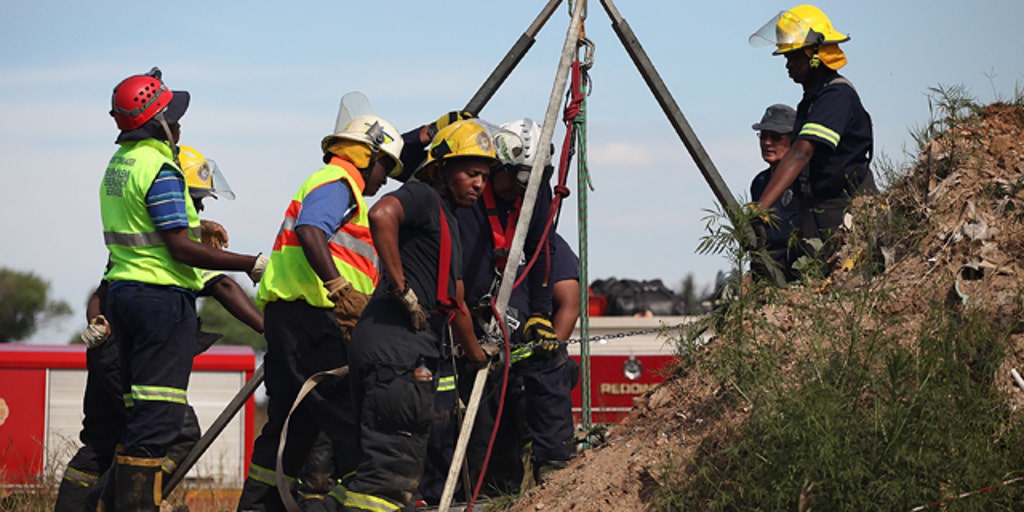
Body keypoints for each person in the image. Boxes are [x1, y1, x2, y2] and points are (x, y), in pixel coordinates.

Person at [56, 145, 265, 512]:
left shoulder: (139, 239)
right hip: (127, 352)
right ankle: (126, 503)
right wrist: (269, 328)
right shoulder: (176, 245)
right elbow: (224, 286)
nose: (198, 210)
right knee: (176, 431)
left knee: (103, 440)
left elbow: (101, 292)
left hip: (109, 349)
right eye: (195, 201)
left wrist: (96, 325)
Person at [97, 68, 267, 511]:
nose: (180, 121)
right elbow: (177, 248)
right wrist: (252, 262)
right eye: (174, 114)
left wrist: (196, 224)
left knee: (141, 416)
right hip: (160, 302)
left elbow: (147, 225)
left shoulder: (120, 163)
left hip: (124, 295)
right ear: (159, 120)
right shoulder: (161, 165)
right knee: (158, 418)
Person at [236, 111, 405, 511]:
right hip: (314, 322)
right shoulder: (339, 184)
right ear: (367, 157)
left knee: (290, 432)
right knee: (351, 424)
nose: (384, 180)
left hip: (291, 321)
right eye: (385, 167)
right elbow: (311, 230)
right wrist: (340, 289)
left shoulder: (326, 182)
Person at [338, 119, 493, 512]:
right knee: (387, 485)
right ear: (441, 168)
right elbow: (382, 215)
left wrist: (477, 355)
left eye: (485, 177)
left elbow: (454, 300)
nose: (480, 184)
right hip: (397, 356)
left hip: (395, 353)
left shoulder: (448, 224)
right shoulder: (423, 196)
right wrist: (400, 284)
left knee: (378, 479)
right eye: (472, 173)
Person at [749, 4, 876, 260]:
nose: (788, 64)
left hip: (843, 209)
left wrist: (760, 208)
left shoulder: (836, 96)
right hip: (817, 210)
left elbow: (800, 154)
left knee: (843, 287)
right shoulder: (812, 100)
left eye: (794, 56)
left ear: (815, 54)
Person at [749, 104, 802, 281]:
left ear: (794, 140)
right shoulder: (759, 183)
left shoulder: (804, 183)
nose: (767, 143)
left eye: (776, 137)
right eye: (763, 136)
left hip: (796, 276)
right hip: (766, 277)